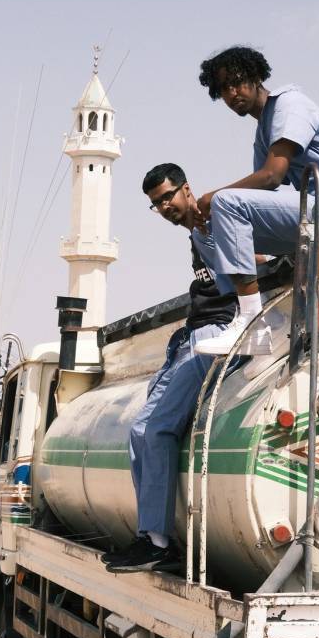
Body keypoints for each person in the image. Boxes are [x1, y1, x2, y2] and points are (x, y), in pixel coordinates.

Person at [101, 163, 238, 573]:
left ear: (186, 189)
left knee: (157, 428)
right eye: (156, 203)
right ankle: (150, 535)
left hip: (218, 332)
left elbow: (256, 257)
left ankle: (159, 541)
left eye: (167, 197)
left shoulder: (214, 221)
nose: (164, 207)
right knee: (140, 430)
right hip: (191, 335)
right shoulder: (196, 233)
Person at [192, 45, 319, 357]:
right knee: (205, 230)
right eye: (224, 88)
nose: (232, 92)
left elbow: (271, 177)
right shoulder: (263, 128)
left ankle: (251, 319)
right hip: (311, 211)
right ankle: (254, 314)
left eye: (238, 81)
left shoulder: (289, 105)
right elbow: (257, 198)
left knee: (225, 203)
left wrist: (214, 197)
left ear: (256, 77)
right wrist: (211, 215)